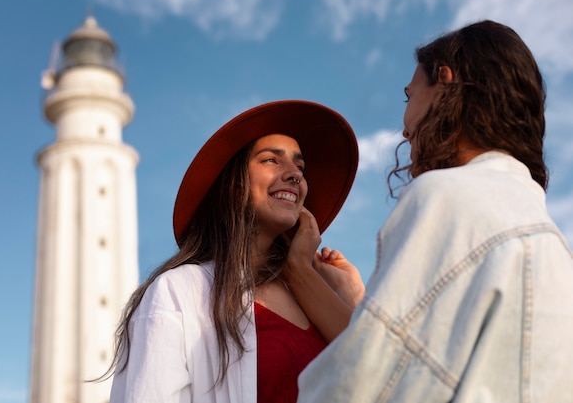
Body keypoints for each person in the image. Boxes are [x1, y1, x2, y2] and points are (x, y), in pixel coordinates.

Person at [296, 20, 573, 402]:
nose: (406, 127)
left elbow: (366, 383)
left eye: (409, 95)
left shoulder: (447, 196)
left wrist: (297, 270)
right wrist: (360, 301)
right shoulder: (556, 247)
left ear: (443, 82)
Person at [107, 100, 364, 402]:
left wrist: (354, 298)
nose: (294, 173)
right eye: (271, 160)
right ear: (234, 181)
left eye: (300, 166)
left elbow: (387, 379)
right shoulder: (180, 291)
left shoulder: (314, 294)